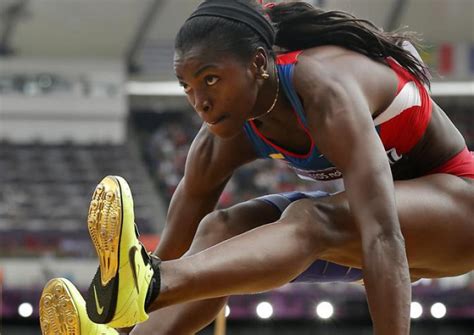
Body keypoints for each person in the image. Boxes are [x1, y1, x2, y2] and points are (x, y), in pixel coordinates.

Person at [38, 1, 474, 334]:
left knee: (310, 217)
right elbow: (166, 255)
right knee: (221, 229)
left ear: (259, 65)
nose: (199, 101)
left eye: (210, 79)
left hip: (457, 213)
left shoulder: (324, 91)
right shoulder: (219, 140)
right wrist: (122, 318)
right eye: (186, 86)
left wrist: (154, 279)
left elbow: (382, 233)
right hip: (377, 232)